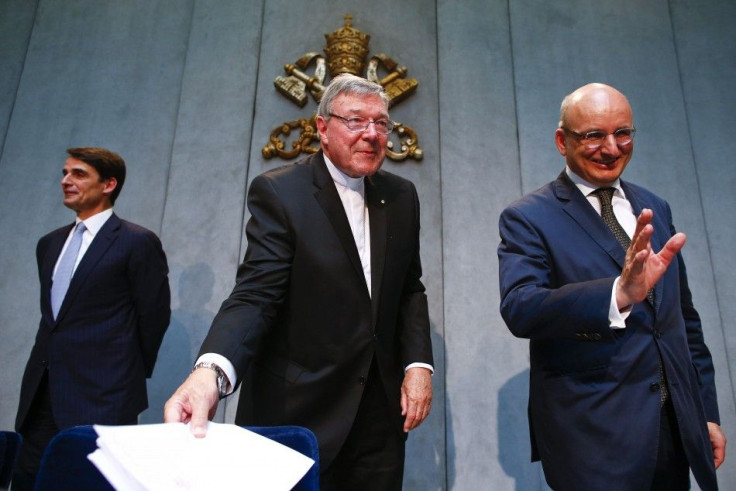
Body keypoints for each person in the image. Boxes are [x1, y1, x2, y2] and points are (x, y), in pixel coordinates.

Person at [164, 73, 433, 490]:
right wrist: (210, 373)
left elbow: (410, 288)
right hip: (296, 412)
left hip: (378, 417)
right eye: (356, 121)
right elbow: (256, 294)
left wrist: (418, 365)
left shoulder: (401, 196)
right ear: (322, 129)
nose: (372, 134)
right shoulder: (281, 192)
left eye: (382, 123)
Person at [497, 83, 726, 490]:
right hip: (594, 440)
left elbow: (682, 323)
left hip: (673, 433)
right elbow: (521, 307)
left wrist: (704, 412)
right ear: (561, 141)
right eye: (593, 135)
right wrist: (617, 295)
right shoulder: (529, 217)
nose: (612, 147)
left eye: (623, 133)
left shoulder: (655, 206)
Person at [13, 147, 171, 489]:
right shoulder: (49, 244)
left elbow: (154, 316)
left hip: (103, 397)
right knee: (28, 479)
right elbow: (53, 320)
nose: (66, 181)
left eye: (79, 174)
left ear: (109, 184)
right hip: (41, 393)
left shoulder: (136, 242)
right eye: (65, 173)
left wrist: (121, 376)